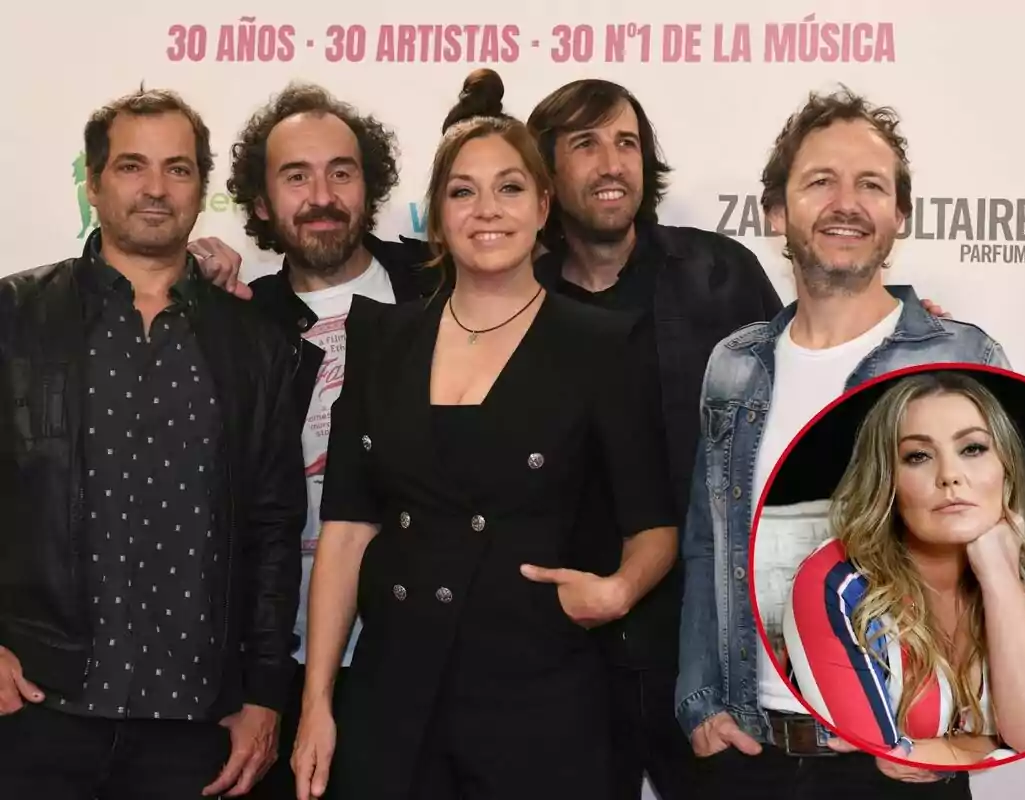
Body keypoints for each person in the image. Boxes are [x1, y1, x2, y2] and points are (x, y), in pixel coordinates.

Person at [289, 69, 676, 800]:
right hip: (391, 698)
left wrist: (618, 591)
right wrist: (316, 704)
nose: (486, 210)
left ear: (543, 206)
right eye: (463, 191)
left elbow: (656, 524)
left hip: (543, 699)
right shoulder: (383, 341)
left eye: (509, 188)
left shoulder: (602, 344)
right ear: (437, 215)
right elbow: (344, 530)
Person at [675, 86, 1012, 799]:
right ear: (776, 212)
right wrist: (700, 699)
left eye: (870, 185)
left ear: (898, 216)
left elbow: (1004, 555)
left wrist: (969, 733)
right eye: (820, 182)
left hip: (904, 762)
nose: (846, 203)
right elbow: (708, 540)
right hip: (753, 751)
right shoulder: (735, 364)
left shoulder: (959, 358)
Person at [0, 87, 306, 798]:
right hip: (37, 710)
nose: (156, 189)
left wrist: (264, 692)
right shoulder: (15, 317)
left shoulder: (256, 344)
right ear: (94, 180)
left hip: (197, 726)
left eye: (178, 168)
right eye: (133, 166)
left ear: (202, 186)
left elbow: (271, 527)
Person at [524, 77, 783, 800]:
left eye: (627, 142)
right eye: (586, 144)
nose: (612, 163)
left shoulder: (719, 274)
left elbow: (805, 389)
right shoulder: (514, 300)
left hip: (710, 647)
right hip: (565, 649)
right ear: (544, 174)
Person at [190, 82, 436, 800]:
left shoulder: (443, 290)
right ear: (261, 204)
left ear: (370, 185)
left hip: (424, 657)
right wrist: (191, 287)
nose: (322, 194)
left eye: (342, 170)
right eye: (296, 176)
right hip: (282, 667)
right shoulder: (240, 321)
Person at [783, 370, 1025, 766]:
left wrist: (998, 576)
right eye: (918, 456)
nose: (950, 476)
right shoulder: (835, 581)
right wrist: (987, 745)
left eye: (973, 449)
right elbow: (888, 764)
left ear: (1005, 470)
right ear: (887, 481)